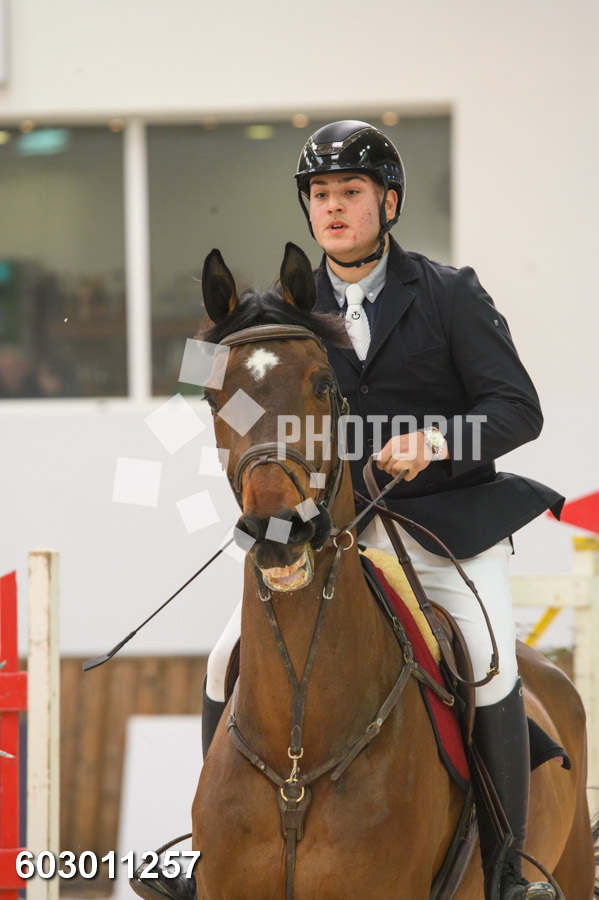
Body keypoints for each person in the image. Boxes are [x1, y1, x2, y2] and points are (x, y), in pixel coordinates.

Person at [202, 121, 564, 900]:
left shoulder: (449, 293)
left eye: (350, 192)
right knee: (223, 654)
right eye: (319, 194)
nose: (332, 207)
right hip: (332, 531)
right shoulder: (286, 306)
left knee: (489, 662)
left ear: (388, 202)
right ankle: (211, 859)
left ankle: (506, 870)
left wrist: (436, 439)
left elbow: (517, 409)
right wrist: (212, 373)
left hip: (443, 531)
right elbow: (215, 379)